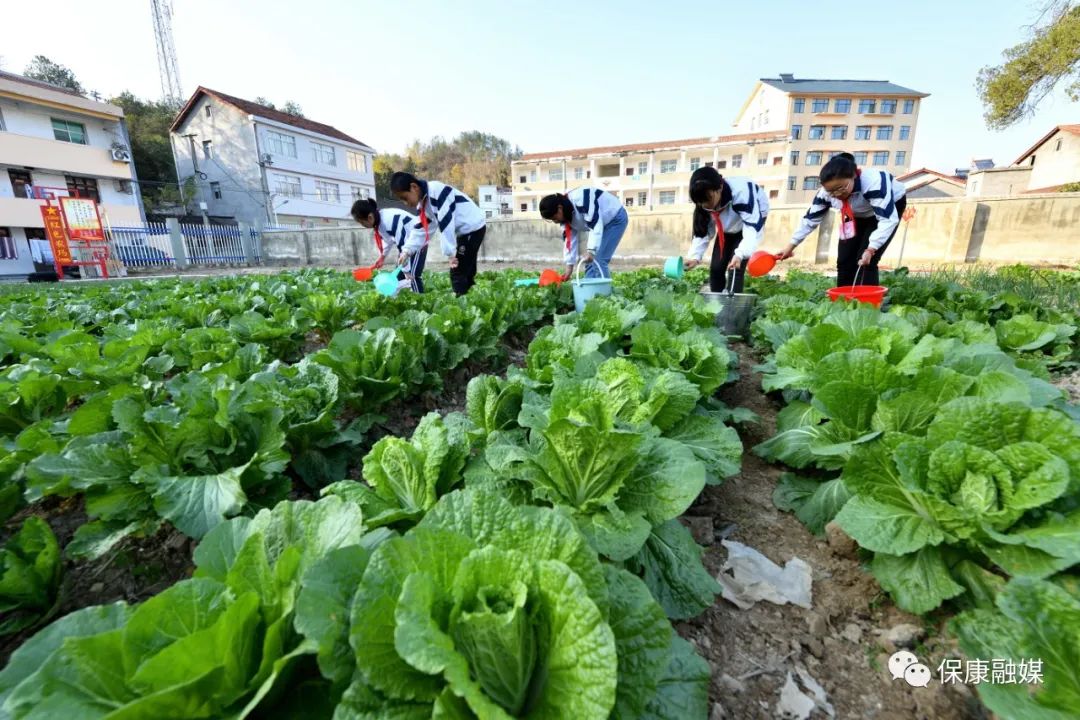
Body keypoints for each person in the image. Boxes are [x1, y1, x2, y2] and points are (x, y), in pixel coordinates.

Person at [778, 152, 907, 287]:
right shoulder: (825, 193)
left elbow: (887, 220)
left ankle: (866, 304)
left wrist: (871, 248)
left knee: (865, 260)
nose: (837, 194)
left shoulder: (873, 183)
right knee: (844, 260)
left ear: (854, 176)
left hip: (885, 211)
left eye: (841, 188)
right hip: (854, 214)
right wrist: (790, 246)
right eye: (832, 192)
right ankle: (843, 301)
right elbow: (810, 220)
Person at [391, 172, 486, 296]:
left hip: (473, 228)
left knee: (457, 272)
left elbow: (446, 223)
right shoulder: (424, 204)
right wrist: (406, 251)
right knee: (466, 270)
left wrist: (450, 254)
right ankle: (471, 300)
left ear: (414, 187)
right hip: (468, 230)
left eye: (405, 198)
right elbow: (421, 230)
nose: (405, 203)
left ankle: (463, 306)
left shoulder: (437, 191)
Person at [685, 167, 769, 293]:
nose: (705, 205)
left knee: (735, 269)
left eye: (708, 200)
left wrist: (740, 255)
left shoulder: (741, 193)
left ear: (720, 188)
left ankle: (733, 308)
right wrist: (694, 257)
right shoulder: (703, 201)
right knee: (716, 268)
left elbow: (752, 230)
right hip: (726, 228)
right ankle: (717, 305)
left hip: (749, 224)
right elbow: (703, 231)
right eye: (701, 203)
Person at [538, 188, 627, 280]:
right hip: (600, 224)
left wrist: (591, 251)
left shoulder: (582, 199)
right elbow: (569, 241)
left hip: (615, 218)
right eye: (552, 220)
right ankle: (589, 292)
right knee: (589, 262)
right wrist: (569, 268)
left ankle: (604, 293)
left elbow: (595, 223)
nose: (555, 221)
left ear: (559, 208)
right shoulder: (565, 217)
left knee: (599, 260)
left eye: (554, 217)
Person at [350, 197, 426, 292]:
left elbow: (402, 243)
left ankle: (420, 301)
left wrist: (406, 270)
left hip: (418, 241)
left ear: (370, 217)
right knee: (398, 276)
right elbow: (388, 241)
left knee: (413, 275)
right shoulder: (379, 222)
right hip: (407, 245)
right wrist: (382, 257)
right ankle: (406, 297)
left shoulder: (389, 220)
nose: (362, 225)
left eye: (362, 222)